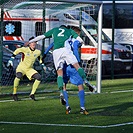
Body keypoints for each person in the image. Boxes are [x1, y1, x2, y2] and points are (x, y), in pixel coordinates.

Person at [25, 25, 91, 105]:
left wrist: (31, 43)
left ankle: (62, 95)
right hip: (68, 56)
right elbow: (78, 43)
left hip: (58, 55)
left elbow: (44, 39)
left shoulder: (55, 31)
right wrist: (81, 46)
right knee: (78, 75)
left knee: (60, 76)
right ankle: (85, 84)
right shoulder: (70, 33)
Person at [43, 26, 96, 115]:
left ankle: (67, 107)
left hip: (63, 65)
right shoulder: (75, 40)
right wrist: (77, 60)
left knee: (64, 84)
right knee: (80, 85)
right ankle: (82, 108)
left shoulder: (60, 40)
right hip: (72, 65)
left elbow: (51, 45)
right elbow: (75, 48)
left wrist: (44, 54)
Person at [7, 37, 45, 101]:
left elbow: (40, 58)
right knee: (18, 76)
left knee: (38, 77)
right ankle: (14, 93)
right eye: (32, 42)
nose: (33, 43)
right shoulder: (25, 49)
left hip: (29, 69)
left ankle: (32, 94)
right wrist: (11, 59)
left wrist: (43, 65)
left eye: (34, 42)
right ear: (29, 43)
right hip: (21, 68)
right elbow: (16, 51)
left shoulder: (38, 52)